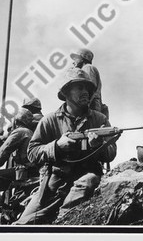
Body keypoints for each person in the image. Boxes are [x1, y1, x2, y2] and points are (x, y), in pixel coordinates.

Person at [14, 67, 117, 225]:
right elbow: (32, 153)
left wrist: (98, 146)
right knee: (21, 225)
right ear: (66, 92)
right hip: (54, 182)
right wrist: (56, 146)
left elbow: (111, 154)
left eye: (88, 88)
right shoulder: (49, 121)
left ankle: (62, 221)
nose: (86, 92)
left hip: (86, 178)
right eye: (80, 87)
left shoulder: (99, 119)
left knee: (88, 182)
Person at [70, 48, 104, 115]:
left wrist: (84, 108)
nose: (73, 62)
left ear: (83, 58)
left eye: (76, 58)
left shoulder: (87, 67)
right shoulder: (86, 68)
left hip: (91, 106)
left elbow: (90, 89)